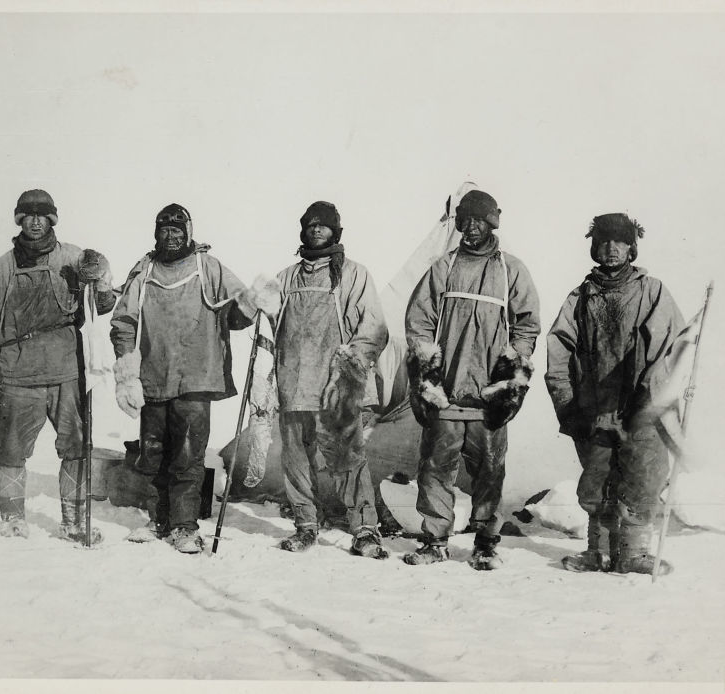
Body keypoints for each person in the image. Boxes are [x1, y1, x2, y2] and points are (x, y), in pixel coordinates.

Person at [404, 189, 540, 569]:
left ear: (492, 223)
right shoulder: (443, 267)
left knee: (490, 469)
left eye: (481, 220)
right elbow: (418, 322)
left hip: (488, 393)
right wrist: (428, 373)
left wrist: (511, 371)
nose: (473, 227)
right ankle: (435, 540)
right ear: (460, 223)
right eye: (467, 220)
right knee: (435, 466)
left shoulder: (511, 269)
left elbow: (527, 325)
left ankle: (485, 543)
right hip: (446, 392)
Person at [110, 203, 255, 554]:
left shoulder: (208, 267)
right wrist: (127, 368)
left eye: (177, 229)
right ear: (156, 233)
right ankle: (158, 520)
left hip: (196, 376)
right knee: (153, 452)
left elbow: (237, 312)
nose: (171, 235)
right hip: (154, 377)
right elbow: (123, 322)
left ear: (188, 233)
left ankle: (184, 526)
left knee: (188, 456)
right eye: (164, 229)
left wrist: (253, 303)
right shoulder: (145, 271)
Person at [0, 189, 115, 543]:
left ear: (52, 219)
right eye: (28, 215)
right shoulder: (3, 267)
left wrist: (99, 278)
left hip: (66, 372)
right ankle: (13, 518)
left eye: (42, 215)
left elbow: (104, 304)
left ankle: (73, 521)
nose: (35, 222)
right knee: (11, 448)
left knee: (76, 446)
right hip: (18, 376)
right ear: (19, 219)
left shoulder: (73, 258)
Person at [544, 213, 683, 575]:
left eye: (619, 241)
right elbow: (559, 351)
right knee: (597, 479)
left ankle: (634, 553)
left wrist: (651, 398)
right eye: (604, 241)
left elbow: (671, 345)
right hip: (594, 408)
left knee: (642, 475)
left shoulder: (652, 292)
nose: (611, 248)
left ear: (631, 247)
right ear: (594, 247)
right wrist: (567, 403)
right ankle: (598, 551)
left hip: (640, 405)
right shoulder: (580, 297)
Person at [270, 201, 389, 558]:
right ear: (302, 230)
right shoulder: (287, 277)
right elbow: (265, 323)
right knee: (295, 458)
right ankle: (306, 525)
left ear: (336, 231)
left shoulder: (353, 274)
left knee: (347, 459)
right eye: (311, 225)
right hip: (293, 382)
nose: (317, 230)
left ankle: (364, 529)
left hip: (334, 387)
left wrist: (348, 371)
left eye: (324, 225)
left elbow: (374, 329)